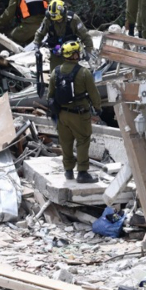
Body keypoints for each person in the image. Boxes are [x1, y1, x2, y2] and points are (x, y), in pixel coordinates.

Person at [48, 40, 102, 184]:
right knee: (83, 141)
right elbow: (94, 94)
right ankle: (82, 173)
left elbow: (50, 95)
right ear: (74, 55)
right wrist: (98, 108)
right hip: (79, 114)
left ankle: (68, 171)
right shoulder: (84, 72)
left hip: (62, 115)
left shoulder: (55, 72)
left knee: (66, 142)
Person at [32, 0, 95, 72]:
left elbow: (85, 35)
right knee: (55, 72)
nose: (58, 21)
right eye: (55, 20)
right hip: (56, 51)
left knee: (73, 72)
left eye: (60, 19)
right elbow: (40, 33)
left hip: (71, 52)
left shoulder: (74, 19)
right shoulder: (48, 20)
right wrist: (36, 45)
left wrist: (88, 50)